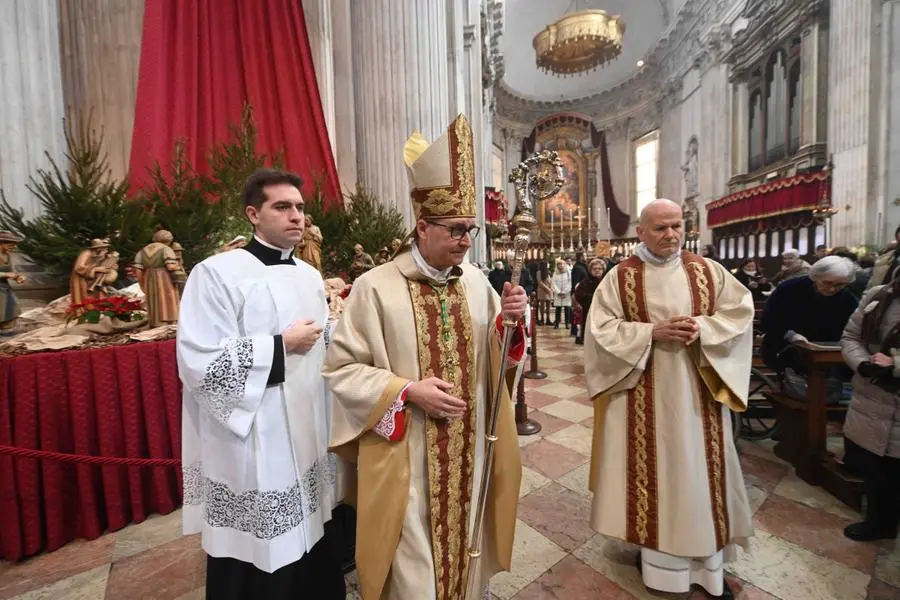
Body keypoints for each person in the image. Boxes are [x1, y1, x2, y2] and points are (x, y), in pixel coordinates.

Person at [323, 114, 525, 600]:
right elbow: (341, 368)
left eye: (470, 231)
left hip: (470, 443)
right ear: (422, 226)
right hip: (408, 451)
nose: (464, 240)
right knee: (413, 563)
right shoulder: (375, 287)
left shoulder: (477, 281)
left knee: (466, 551)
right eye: (455, 229)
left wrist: (509, 325)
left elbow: (499, 358)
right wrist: (406, 390)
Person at [177, 169, 346, 600]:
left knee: (312, 529)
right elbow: (199, 360)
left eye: (301, 208)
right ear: (253, 214)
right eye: (282, 207)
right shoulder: (216, 273)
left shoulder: (310, 276)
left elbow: (326, 344)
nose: (297, 217)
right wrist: (279, 346)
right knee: (260, 546)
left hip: (307, 428)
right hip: (253, 434)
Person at [584, 199, 754, 600]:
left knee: (699, 475)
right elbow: (600, 331)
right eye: (660, 228)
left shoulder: (708, 272)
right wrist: (650, 333)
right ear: (640, 232)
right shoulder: (620, 278)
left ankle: (708, 566)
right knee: (655, 477)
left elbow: (739, 313)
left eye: (676, 226)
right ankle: (661, 568)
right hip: (642, 397)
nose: (671, 235)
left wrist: (703, 327)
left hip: (700, 399)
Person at [840, 275, 900, 542]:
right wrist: (862, 363)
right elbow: (851, 336)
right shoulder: (879, 294)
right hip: (873, 394)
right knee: (877, 467)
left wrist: (895, 364)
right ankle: (878, 523)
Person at [760, 256, 858, 404]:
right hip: (785, 347)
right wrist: (791, 335)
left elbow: (853, 328)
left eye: (839, 285)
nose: (832, 289)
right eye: (827, 283)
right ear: (815, 277)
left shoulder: (847, 299)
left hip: (827, 354)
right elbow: (769, 320)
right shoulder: (789, 289)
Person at [134, 230, 184, 328]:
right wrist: (178, 267)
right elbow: (170, 266)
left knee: (153, 299)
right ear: (169, 240)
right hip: (164, 277)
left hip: (148, 276)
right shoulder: (166, 249)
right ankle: (169, 321)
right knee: (167, 298)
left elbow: (138, 270)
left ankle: (155, 322)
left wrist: (142, 284)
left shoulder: (142, 251)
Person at [572, 257, 606, 345]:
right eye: (594, 269)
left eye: (599, 268)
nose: (597, 270)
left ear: (603, 269)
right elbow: (579, 295)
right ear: (590, 270)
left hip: (605, 312)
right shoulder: (586, 281)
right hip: (589, 310)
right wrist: (595, 298)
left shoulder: (606, 281)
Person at [0, 231, 26, 336]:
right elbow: (7, 273)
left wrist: (17, 277)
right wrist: (5, 274)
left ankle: (7, 330)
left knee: (11, 308)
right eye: (11, 244)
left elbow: (11, 272)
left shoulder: (7, 256)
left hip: (4, 287)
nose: (14, 246)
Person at [70, 238, 111, 304]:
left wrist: (110, 264)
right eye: (104, 247)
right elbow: (79, 267)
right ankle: (84, 309)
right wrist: (95, 269)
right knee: (84, 296)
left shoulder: (100, 254)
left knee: (98, 294)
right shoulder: (86, 253)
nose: (106, 249)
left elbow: (103, 265)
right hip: (82, 278)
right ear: (98, 248)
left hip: (94, 279)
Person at [551, 258, 572, 329]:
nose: (561, 266)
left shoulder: (569, 272)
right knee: (558, 309)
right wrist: (558, 292)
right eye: (559, 264)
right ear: (557, 265)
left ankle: (567, 324)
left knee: (567, 309)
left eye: (562, 264)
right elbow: (553, 283)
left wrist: (565, 291)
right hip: (558, 294)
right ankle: (556, 324)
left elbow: (570, 282)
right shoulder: (555, 273)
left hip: (566, 294)